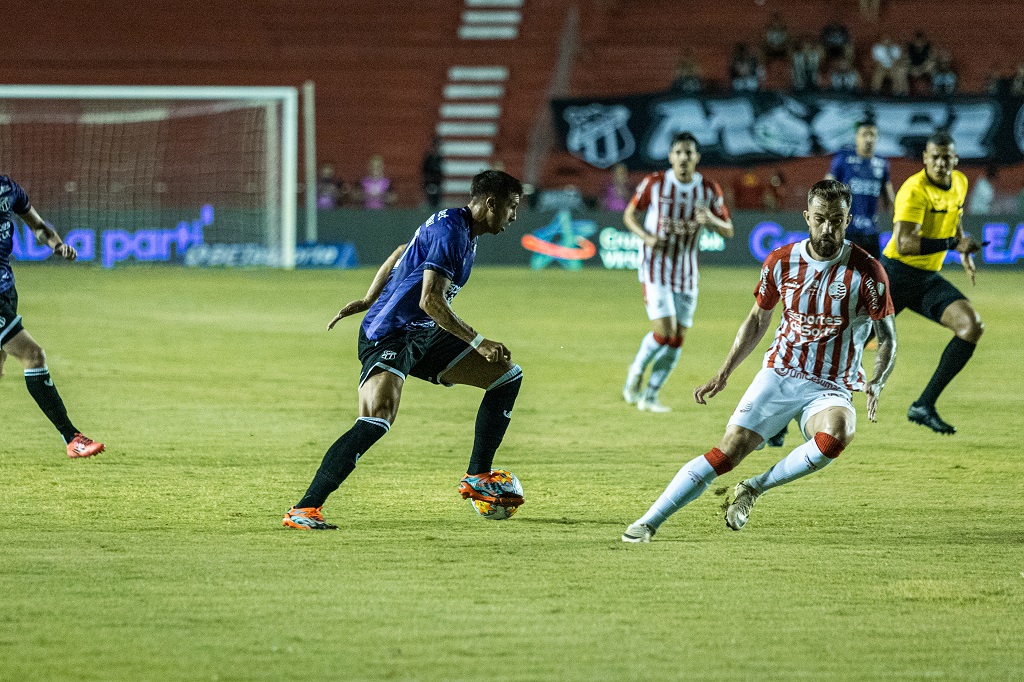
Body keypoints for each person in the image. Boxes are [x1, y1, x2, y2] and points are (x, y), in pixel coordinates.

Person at [621, 179, 897, 543]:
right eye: (820, 219)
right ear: (807, 217)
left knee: (837, 435)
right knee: (728, 452)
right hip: (781, 373)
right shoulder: (781, 261)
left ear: (847, 220)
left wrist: (877, 380)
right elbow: (756, 320)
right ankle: (647, 523)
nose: (827, 228)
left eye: (836, 220)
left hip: (831, 385)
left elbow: (887, 337)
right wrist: (723, 373)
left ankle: (753, 488)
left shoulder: (868, 271)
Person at [282, 170, 525, 530]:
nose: (514, 216)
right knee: (377, 417)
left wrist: (369, 297)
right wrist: (478, 341)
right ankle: (305, 509)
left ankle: (478, 476)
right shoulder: (452, 232)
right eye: (511, 207)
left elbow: (401, 251)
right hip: (390, 333)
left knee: (506, 377)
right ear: (491, 203)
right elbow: (430, 301)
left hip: (422, 333)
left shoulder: (461, 229)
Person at [621, 132, 734, 413]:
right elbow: (629, 215)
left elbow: (728, 230)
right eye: (679, 152)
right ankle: (635, 372)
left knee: (677, 338)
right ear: (671, 156)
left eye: (689, 153)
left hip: (687, 272)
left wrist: (711, 219)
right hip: (655, 267)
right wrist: (647, 238)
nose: (684, 157)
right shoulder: (655, 183)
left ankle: (650, 395)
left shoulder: (708, 189)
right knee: (664, 332)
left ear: (697, 157)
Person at [880, 131, 984, 435]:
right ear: (925, 158)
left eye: (946, 157)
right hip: (895, 275)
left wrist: (963, 249)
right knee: (845, 344)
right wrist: (953, 244)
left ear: (955, 159)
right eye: (934, 157)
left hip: (925, 279)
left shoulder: (960, 182)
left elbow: (954, 218)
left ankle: (923, 405)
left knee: (971, 327)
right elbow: (904, 244)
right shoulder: (914, 190)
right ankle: (783, 412)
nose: (940, 163)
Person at [0, 175, 105, 458]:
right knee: (33, 355)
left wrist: (56, 245)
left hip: (7, 290)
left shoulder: (8, 188)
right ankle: (72, 438)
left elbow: (38, 226)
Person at [826, 120, 895, 258]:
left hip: (871, 232)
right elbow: (825, 189)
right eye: (864, 134)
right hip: (846, 230)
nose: (868, 139)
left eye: (872, 135)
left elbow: (889, 196)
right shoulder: (843, 159)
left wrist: (897, 222)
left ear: (877, 138)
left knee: (874, 270)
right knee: (844, 269)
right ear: (857, 137)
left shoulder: (882, 163)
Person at [422, 137, 443, 210]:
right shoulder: (428, 158)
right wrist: (426, 182)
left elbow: (440, 171)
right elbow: (424, 171)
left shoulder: (439, 158)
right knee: (430, 200)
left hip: (437, 182)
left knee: (437, 201)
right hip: (429, 182)